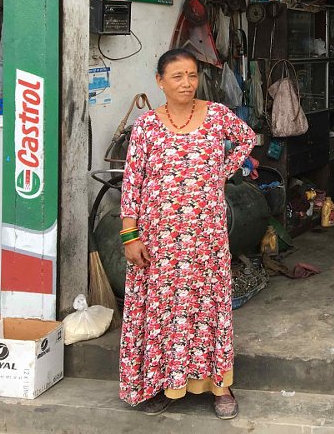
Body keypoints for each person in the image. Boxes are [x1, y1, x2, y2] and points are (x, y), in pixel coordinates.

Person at [118, 48, 256, 419]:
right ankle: (161, 383)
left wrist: (220, 171)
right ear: (160, 81)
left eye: (192, 75)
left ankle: (220, 386)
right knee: (161, 310)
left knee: (207, 305)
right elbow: (132, 183)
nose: (187, 83)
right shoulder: (146, 126)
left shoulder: (216, 116)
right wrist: (130, 237)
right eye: (177, 76)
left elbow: (247, 139)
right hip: (157, 238)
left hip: (205, 236)